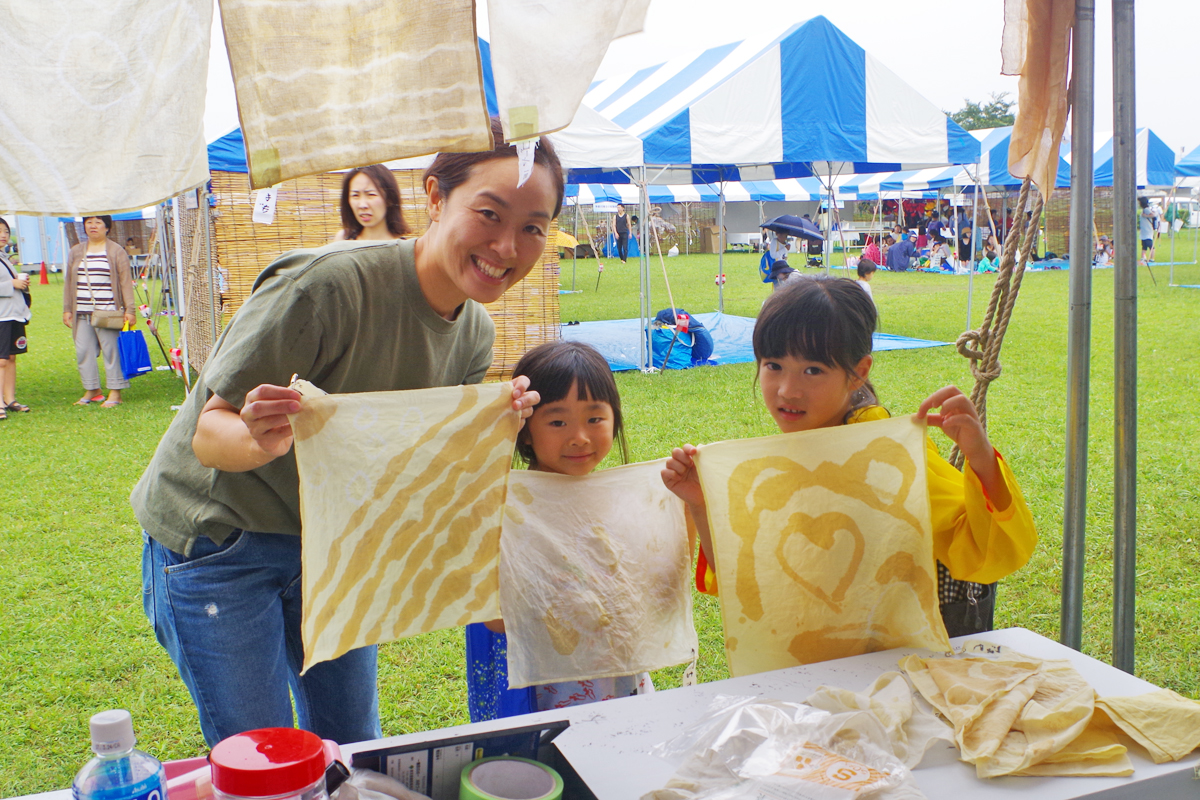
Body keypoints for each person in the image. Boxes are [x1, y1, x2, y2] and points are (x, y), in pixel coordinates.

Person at [131, 117, 564, 747]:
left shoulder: (475, 334)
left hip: (331, 548)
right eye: (490, 214)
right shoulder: (325, 287)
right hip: (220, 539)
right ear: (435, 197)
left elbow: (413, 473)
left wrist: (483, 433)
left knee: (353, 743)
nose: (507, 247)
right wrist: (262, 438)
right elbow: (209, 432)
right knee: (263, 756)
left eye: (533, 228)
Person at [660, 276, 1037, 641]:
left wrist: (981, 457)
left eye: (813, 370)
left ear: (858, 373)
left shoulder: (888, 452)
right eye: (773, 365)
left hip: (905, 666)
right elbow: (746, 581)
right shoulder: (781, 458)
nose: (788, 390)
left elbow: (987, 551)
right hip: (822, 664)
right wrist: (700, 504)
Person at [466, 340, 651, 721]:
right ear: (526, 431)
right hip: (544, 692)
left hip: (617, 682)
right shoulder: (505, 508)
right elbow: (495, 619)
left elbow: (653, 590)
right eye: (557, 421)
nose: (579, 437)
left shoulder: (619, 501)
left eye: (594, 419)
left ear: (615, 421)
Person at [63, 215, 136, 407]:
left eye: (98, 222)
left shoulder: (115, 251)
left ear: (107, 227)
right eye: (89, 222)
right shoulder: (76, 251)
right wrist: (67, 309)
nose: (93, 226)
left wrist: (130, 309)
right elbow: (69, 283)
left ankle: (115, 391)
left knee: (111, 351)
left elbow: (125, 282)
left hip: (108, 312)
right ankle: (92, 389)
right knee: (83, 351)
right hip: (81, 311)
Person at [0, 218, 32, 418]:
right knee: (1, 360)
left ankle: (10, 399)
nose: (3, 235)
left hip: (14, 314)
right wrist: (11, 284)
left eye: (5, 231)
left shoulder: (5, 257)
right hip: (1, 316)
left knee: (11, 357)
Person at [333, 165, 409, 241]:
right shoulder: (343, 240)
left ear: (389, 199)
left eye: (371, 194)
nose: (362, 205)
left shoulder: (402, 248)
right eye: (355, 195)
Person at [1138, 197, 1158, 265]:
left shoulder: (1146, 209)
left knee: (1150, 245)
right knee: (1144, 245)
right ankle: (1143, 257)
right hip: (1144, 231)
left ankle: (1152, 258)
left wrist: (1145, 216)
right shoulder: (1144, 209)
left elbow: (1153, 215)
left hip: (1147, 230)